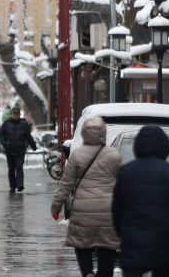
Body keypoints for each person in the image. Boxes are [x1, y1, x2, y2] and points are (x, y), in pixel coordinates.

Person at [112, 126, 169, 277]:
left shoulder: (126, 171)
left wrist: (122, 232)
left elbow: (117, 208)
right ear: (165, 146)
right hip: (161, 240)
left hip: (132, 240)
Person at [51, 117, 121, 277]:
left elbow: (65, 184)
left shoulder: (77, 155)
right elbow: (123, 184)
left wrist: (56, 207)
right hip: (107, 210)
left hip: (83, 209)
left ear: (84, 134)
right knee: (107, 247)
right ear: (103, 133)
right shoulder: (114, 155)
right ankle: (104, 273)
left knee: (82, 244)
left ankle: (88, 272)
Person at [0, 106, 37, 192]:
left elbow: (28, 136)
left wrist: (33, 145)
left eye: (17, 114)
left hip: (20, 150)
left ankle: (20, 185)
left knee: (19, 167)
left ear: (20, 114)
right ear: (11, 114)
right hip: (9, 150)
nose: (16, 115)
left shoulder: (23, 124)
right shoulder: (6, 123)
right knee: (11, 169)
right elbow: (0, 134)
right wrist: (4, 143)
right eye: (14, 114)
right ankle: (12, 186)